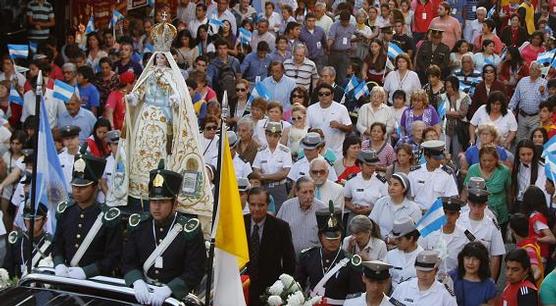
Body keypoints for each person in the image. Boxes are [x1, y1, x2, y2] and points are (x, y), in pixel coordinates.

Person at [122, 164, 205, 306]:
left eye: (163, 201)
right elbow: (128, 261)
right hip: (143, 295)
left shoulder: (188, 231)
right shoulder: (139, 226)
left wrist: (170, 289)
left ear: (175, 204)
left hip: (175, 298)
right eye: (153, 201)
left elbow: (195, 271)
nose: (156, 207)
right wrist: (136, 280)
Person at [53, 151, 122, 280]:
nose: (77, 191)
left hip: (96, 281)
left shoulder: (108, 217)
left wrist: (88, 272)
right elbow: (57, 244)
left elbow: (114, 257)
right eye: (74, 186)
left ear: (95, 186)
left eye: (83, 187)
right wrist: (59, 264)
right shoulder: (66, 212)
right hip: (66, 277)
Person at [295, 203, 363, 304]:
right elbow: (297, 288)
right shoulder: (308, 256)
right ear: (320, 237)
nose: (333, 241)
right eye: (329, 238)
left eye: (336, 237)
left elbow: (355, 296)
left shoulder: (351, 262)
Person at [244, 187, 296, 306]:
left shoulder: (280, 228)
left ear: (267, 205)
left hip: (270, 290)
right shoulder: (240, 224)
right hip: (243, 286)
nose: (256, 209)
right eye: (253, 204)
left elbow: (289, 261)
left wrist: (280, 288)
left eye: (261, 205)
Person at [457, 177, 505, 280]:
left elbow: (495, 256)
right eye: (473, 205)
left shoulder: (492, 224)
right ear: (468, 202)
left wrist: (491, 282)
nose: (476, 209)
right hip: (460, 274)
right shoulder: (458, 219)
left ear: (485, 204)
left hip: (481, 276)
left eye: (480, 205)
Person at [277, 176, 326, 255]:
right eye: (304, 192)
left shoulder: (322, 208)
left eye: (311, 192)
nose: (308, 196)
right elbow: (277, 231)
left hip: (314, 259)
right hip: (290, 257)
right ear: (296, 192)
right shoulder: (286, 206)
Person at [419, 197, 469, 274]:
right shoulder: (429, 232)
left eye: (452, 213)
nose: (447, 217)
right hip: (431, 278)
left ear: (458, 215)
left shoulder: (465, 236)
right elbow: (419, 256)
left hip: (455, 279)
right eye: (444, 213)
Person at [4, 202, 52, 278]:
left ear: (45, 220)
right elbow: (7, 268)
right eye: (27, 220)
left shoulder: (51, 242)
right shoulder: (17, 240)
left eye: (36, 220)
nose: (31, 224)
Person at [408, 140, 458, 211]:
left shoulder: (447, 174)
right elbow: (409, 197)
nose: (439, 161)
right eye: (435, 159)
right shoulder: (414, 173)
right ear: (426, 157)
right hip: (418, 212)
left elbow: (451, 197)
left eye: (440, 158)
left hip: (438, 213)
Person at [252, 122, 292, 210]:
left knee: (281, 213)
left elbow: (285, 173)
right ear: (265, 135)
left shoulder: (285, 151)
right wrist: (272, 176)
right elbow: (256, 171)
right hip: (264, 187)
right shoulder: (260, 151)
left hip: (280, 188)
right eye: (269, 135)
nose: (272, 138)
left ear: (279, 136)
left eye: (275, 136)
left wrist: (264, 176)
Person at [307, 83, 352, 158]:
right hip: (317, 152)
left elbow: (350, 128)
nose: (324, 96)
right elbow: (306, 129)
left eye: (327, 94)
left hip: (336, 152)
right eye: (321, 94)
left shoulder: (341, 109)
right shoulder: (310, 109)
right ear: (318, 96)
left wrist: (339, 126)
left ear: (332, 95)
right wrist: (314, 132)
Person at [509, 61, 549, 141]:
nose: (533, 71)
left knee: (533, 140)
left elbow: (546, 102)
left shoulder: (544, 83)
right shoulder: (523, 81)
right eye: (531, 69)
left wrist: (542, 93)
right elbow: (515, 97)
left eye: (535, 69)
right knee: (519, 140)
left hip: (536, 117)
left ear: (540, 72)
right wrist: (510, 110)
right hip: (522, 116)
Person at [448, 242, 497, 306]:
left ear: (482, 262)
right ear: (462, 259)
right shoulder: (452, 277)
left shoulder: (489, 285)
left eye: (475, 259)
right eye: (467, 258)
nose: (470, 262)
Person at [344, 151, 388, 220]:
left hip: (374, 216)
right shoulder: (351, 180)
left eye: (374, 165)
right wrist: (353, 208)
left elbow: (386, 203)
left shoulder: (381, 182)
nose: (372, 168)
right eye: (368, 165)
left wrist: (371, 209)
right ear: (360, 165)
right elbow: (346, 200)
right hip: (355, 216)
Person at [520, 186, 556, 263]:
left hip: (540, 257)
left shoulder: (537, 218)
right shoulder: (535, 215)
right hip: (535, 255)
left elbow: (552, 238)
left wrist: (536, 239)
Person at [385, 217, 424, 288]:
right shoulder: (390, 255)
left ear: (411, 238)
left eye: (399, 239)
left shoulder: (423, 257)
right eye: (395, 239)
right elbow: (386, 281)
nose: (396, 242)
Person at [509, 213, 544, 287]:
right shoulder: (528, 244)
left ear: (512, 230)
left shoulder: (528, 249)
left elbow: (537, 272)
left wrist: (524, 286)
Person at [327, 10, 356, 83]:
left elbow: (358, 34)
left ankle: (340, 92)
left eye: (346, 21)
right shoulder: (334, 25)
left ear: (349, 20)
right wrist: (328, 47)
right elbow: (331, 38)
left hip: (346, 53)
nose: (345, 23)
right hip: (334, 53)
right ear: (340, 20)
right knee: (332, 74)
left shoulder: (352, 26)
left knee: (342, 75)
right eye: (343, 21)